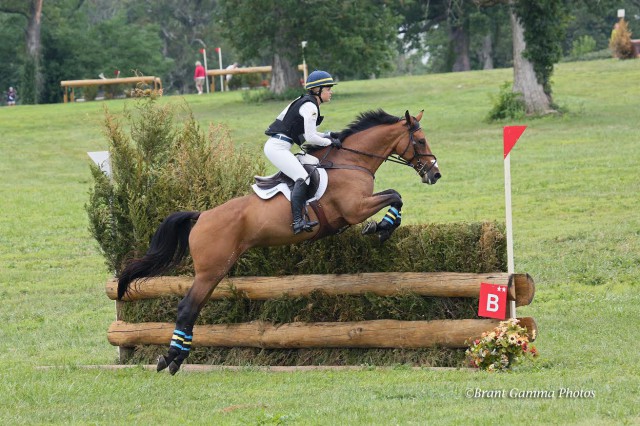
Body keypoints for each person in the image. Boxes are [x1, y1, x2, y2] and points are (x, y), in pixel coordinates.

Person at [264, 70, 341, 234]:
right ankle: (298, 221)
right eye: (328, 89)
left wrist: (329, 135)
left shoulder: (308, 103)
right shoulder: (310, 106)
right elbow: (310, 137)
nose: (331, 92)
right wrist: (330, 142)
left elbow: (310, 133)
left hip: (280, 145)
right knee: (302, 177)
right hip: (277, 148)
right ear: (317, 90)